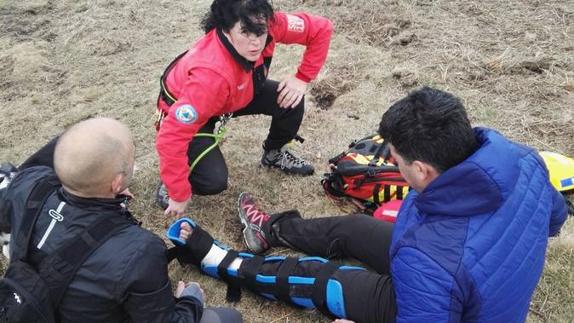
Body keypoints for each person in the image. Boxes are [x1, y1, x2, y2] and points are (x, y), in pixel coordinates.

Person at [168, 87, 568, 323]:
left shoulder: (429, 257)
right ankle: (268, 231)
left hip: (452, 300)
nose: (391, 163)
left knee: (324, 279)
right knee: (354, 230)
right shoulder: (523, 160)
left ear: (424, 170)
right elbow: (553, 218)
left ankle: (226, 263)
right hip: (458, 273)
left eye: (396, 159)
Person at [0, 118, 242, 323]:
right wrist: (191, 299)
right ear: (116, 182)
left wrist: (99, 189)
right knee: (228, 318)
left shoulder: (27, 183)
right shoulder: (139, 251)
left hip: (24, 304)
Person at [155, 0, 333, 216]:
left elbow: (321, 28)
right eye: (246, 33)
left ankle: (274, 153)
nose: (255, 42)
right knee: (213, 181)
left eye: (260, 33)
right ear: (225, 28)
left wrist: (302, 78)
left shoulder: (265, 22)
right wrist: (178, 192)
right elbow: (171, 136)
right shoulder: (209, 76)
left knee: (292, 99)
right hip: (198, 110)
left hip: (239, 91)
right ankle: (171, 181)